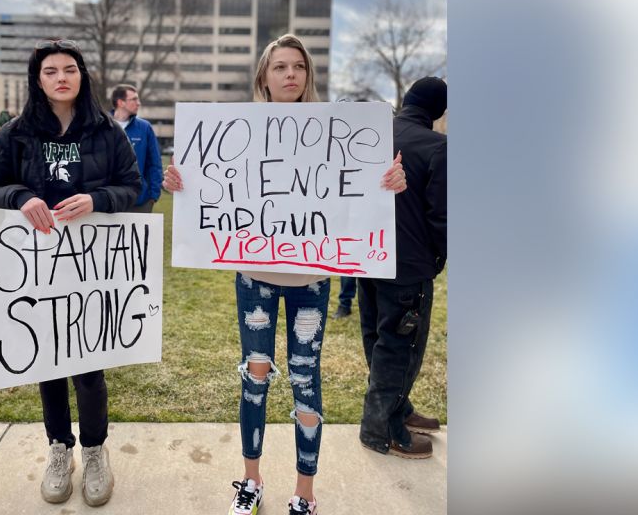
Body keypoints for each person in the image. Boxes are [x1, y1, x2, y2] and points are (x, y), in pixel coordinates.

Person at [163, 34, 407, 515]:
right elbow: (213, 189)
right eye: (280, 67)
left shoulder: (339, 133)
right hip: (254, 275)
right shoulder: (236, 130)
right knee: (254, 378)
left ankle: (305, 492)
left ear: (308, 76)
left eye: (298, 66)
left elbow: (359, 203)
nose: (290, 74)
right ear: (264, 76)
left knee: (304, 379)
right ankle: (250, 482)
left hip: (312, 282)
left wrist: (390, 184)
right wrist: (181, 185)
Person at [0, 39, 141, 507]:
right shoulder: (17, 133)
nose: (61, 77)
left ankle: (93, 450)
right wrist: (21, 197)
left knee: (89, 366)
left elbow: (132, 185)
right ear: (38, 79)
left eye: (70, 69)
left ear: (83, 76)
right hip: (37, 266)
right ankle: (58, 447)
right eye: (51, 71)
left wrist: (98, 200)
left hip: (90, 269)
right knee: (47, 365)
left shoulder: (107, 131)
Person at [356, 76, 447, 459]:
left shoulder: (370, 135)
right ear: (439, 111)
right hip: (408, 268)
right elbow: (442, 216)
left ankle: (399, 409)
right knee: (400, 348)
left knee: (379, 341)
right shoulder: (438, 146)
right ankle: (381, 429)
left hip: (363, 258)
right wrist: (439, 259)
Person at [110, 84, 162, 213]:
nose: (138, 103)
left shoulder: (145, 128)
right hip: (109, 199)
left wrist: (153, 196)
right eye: (134, 99)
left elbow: (154, 163)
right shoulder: (101, 125)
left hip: (140, 201)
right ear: (120, 102)